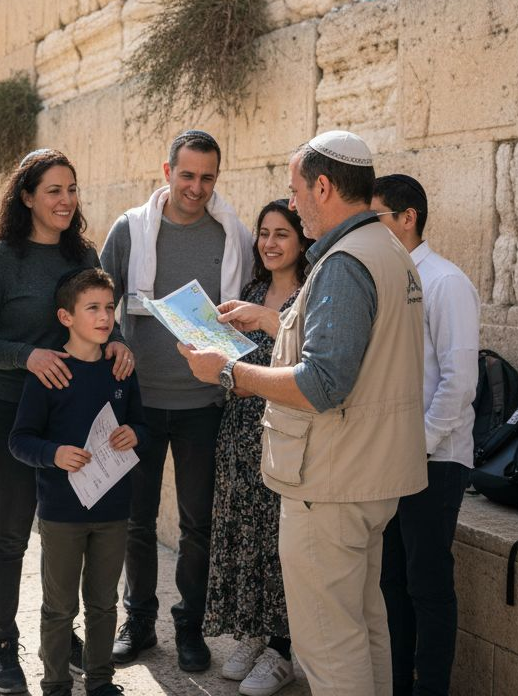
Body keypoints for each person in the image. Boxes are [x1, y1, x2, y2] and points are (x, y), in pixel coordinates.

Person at [176, 130, 428, 696]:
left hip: (332, 480)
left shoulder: (343, 263)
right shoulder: (389, 249)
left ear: (322, 185)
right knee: (365, 629)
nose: (291, 204)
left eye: (295, 191)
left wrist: (227, 372)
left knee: (327, 645)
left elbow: (322, 384)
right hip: (371, 475)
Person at [0, 148, 133, 694]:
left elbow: (100, 310)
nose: (65, 200)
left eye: (72, 189)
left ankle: (63, 639)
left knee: (67, 532)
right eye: (53, 190)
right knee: (10, 537)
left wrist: (120, 343)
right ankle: (2, 647)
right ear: (27, 196)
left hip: (74, 420)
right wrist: (26, 356)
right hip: (11, 413)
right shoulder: (0, 260)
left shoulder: (82, 253)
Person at [98, 129, 253, 671]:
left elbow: (248, 313)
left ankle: (190, 627)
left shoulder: (233, 236)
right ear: (167, 173)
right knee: (136, 522)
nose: (197, 187)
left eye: (208, 177)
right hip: (137, 404)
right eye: (187, 175)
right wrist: (113, 338)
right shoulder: (129, 230)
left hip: (202, 405)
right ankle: (138, 622)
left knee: (197, 525)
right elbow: (100, 303)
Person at [8, 267, 146, 696]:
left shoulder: (121, 369)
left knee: (104, 603)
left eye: (109, 308)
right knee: (59, 606)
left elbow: (140, 422)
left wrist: (134, 433)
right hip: (62, 512)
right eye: (93, 308)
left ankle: (101, 681)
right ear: (66, 317)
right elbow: (19, 440)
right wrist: (54, 454)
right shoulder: (50, 372)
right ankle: (55, 684)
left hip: (113, 508)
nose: (105, 317)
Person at [372, 174, 480, 696]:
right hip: (391, 458)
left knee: (428, 586)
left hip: (434, 460)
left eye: (377, 220)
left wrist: (420, 445)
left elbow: (460, 382)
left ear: (407, 217)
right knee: (390, 581)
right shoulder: (386, 278)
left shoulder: (446, 282)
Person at [203, 200, 313, 696]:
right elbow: (231, 362)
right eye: (264, 234)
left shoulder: (310, 299)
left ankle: (281, 649)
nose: (269, 243)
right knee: (242, 531)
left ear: (302, 241)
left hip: (285, 435)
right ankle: (251, 633)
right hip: (239, 432)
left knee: (278, 542)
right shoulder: (249, 292)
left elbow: (307, 370)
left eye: (282, 234)